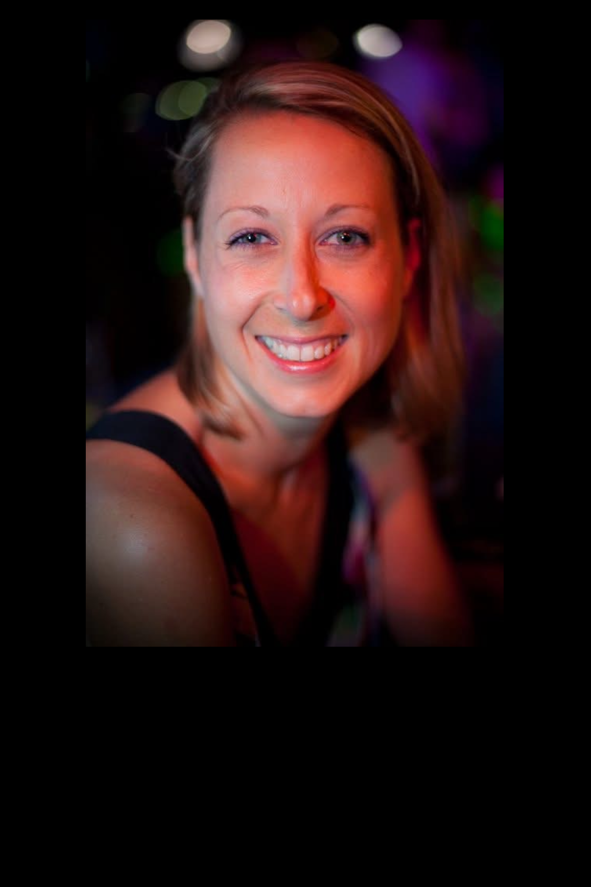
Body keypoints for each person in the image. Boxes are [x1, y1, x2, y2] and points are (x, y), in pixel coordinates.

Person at [86, 61, 473, 646]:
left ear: (408, 256)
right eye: (251, 238)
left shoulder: (371, 441)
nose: (300, 298)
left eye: (345, 237)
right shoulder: (135, 522)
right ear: (194, 253)